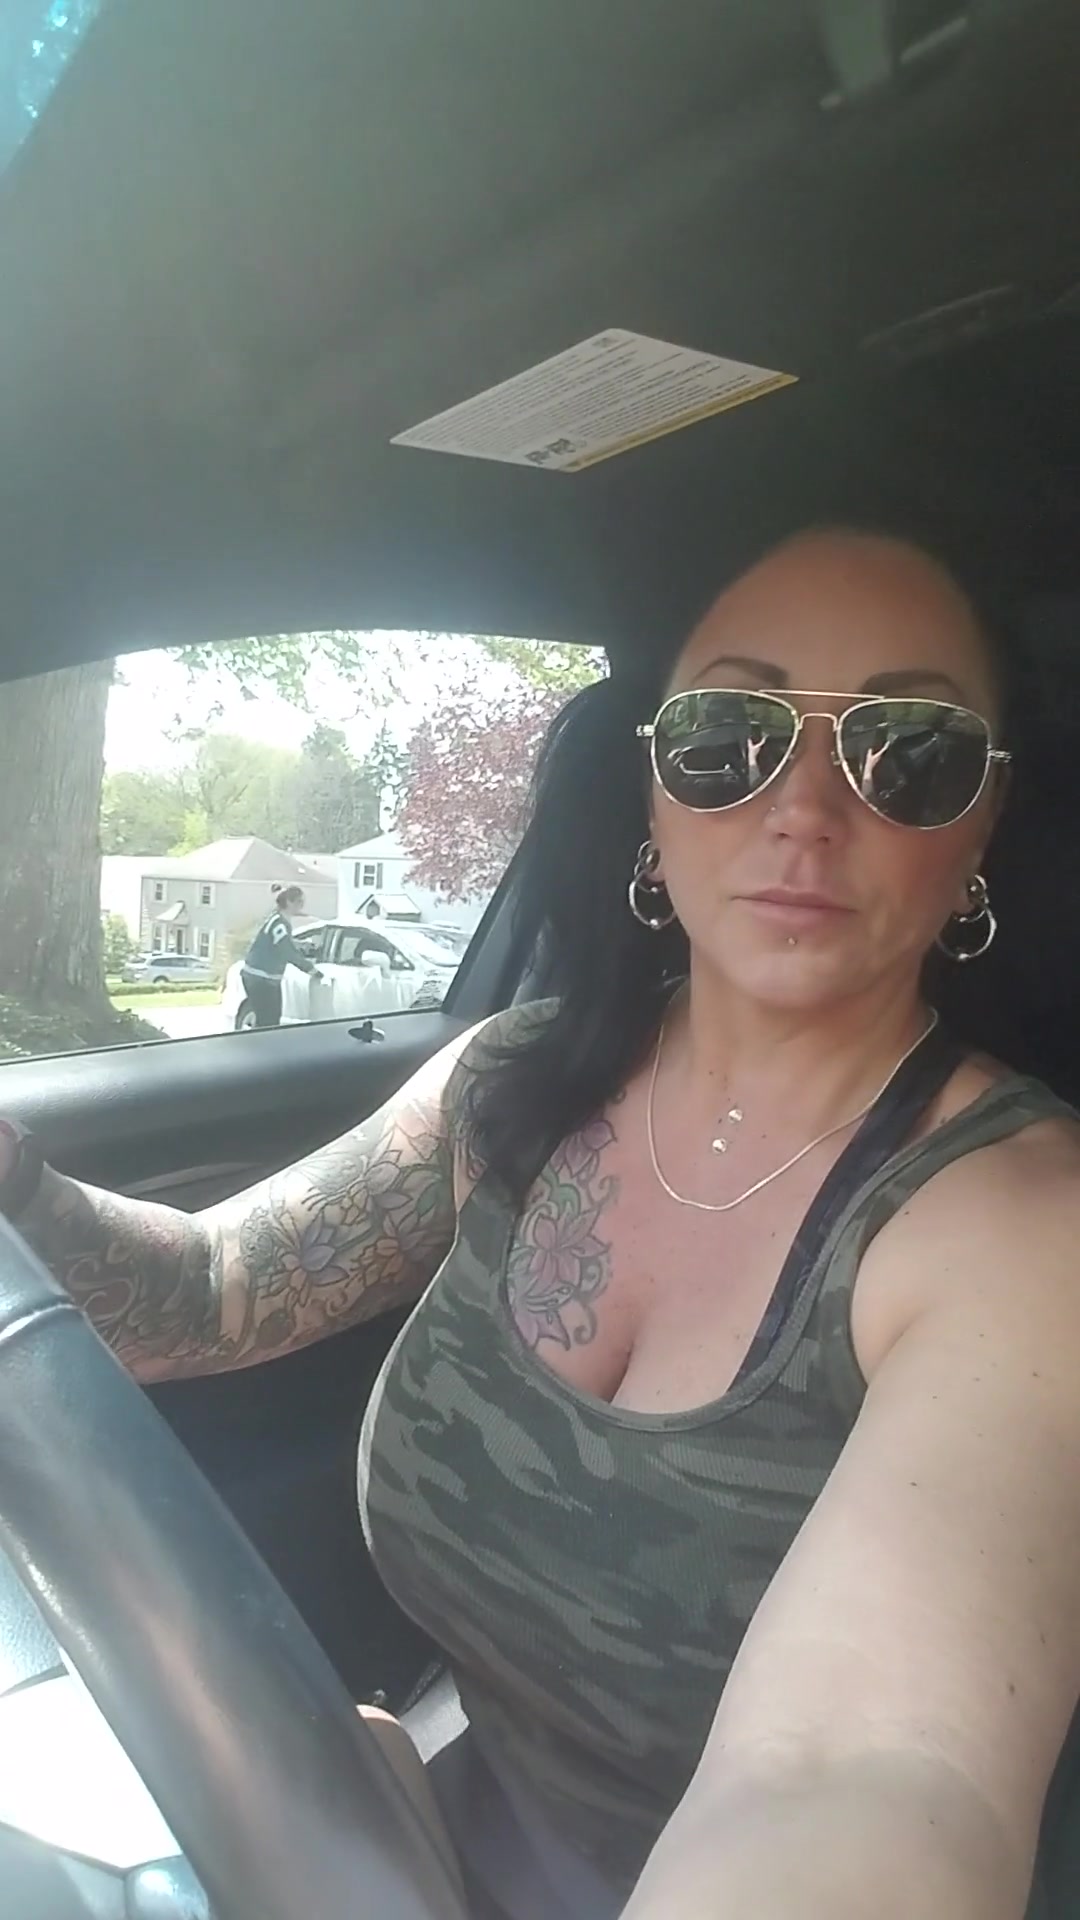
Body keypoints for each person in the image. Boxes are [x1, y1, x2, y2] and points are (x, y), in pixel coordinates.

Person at [2, 526, 1080, 1920]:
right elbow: (213, 1290)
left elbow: (862, 1773)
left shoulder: (1022, 1228)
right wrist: (22, 1195)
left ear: (983, 821)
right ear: (651, 787)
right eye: (729, 736)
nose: (806, 806)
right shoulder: (518, 1075)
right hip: (406, 1838)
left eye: (910, 752)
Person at [239, 883, 321, 1027]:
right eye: (299, 902)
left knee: (267, 1020)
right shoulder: (280, 924)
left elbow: (279, 943)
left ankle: (259, 1039)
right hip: (262, 979)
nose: (301, 906)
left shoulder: (276, 920)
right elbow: (287, 952)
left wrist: (299, 945)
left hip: (257, 977)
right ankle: (263, 1041)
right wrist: (311, 969)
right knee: (269, 1021)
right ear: (289, 902)